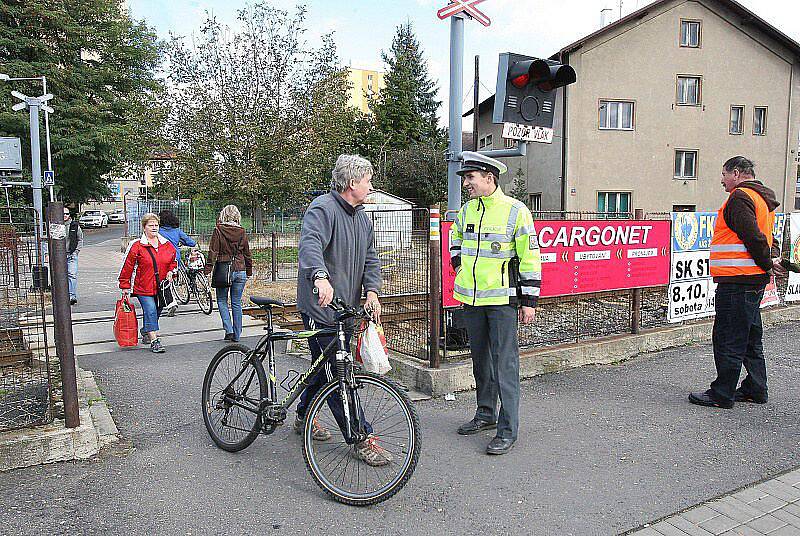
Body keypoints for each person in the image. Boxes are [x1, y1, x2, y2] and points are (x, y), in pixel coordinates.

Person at [295, 154, 390, 467]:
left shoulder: (362, 218)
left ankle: (302, 414)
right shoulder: (323, 208)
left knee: (322, 368)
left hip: (345, 309)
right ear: (352, 183)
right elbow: (310, 245)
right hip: (320, 308)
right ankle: (360, 436)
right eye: (367, 181)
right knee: (337, 372)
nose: (371, 186)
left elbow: (371, 258)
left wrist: (372, 292)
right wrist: (319, 277)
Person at [450, 151, 541, 455]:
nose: (466, 183)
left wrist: (529, 300)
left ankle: (507, 429)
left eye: (470, 178)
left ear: (489, 178)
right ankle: (486, 413)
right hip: (471, 300)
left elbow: (530, 257)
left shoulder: (516, 211)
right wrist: (458, 262)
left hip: (502, 301)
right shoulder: (468, 210)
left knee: (504, 364)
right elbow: (455, 235)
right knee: (481, 361)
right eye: (465, 177)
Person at [689, 156, 782, 409]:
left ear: (737, 173)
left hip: (737, 279)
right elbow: (767, 236)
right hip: (752, 280)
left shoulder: (740, 198)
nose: (722, 180)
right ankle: (755, 387)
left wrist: (766, 262)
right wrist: (769, 261)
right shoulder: (762, 198)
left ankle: (722, 393)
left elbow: (751, 235)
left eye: (724, 174)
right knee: (751, 336)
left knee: (729, 337)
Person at [118, 213, 177, 353]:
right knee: (150, 309)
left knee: (157, 311)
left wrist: (171, 272)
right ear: (144, 227)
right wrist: (125, 286)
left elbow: (173, 262)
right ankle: (154, 340)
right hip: (142, 286)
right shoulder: (137, 246)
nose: (154, 228)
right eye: (151, 225)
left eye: (156, 225)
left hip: (161, 287)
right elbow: (127, 267)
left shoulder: (166, 245)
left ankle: (145, 330)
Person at [204, 205, 252, 342]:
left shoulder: (218, 230)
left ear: (223, 215)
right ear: (237, 216)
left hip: (223, 270)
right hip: (240, 269)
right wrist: (248, 270)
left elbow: (213, 252)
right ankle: (237, 335)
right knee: (236, 302)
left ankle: (229, 330)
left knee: (221, 300)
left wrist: (208, 269)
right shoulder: (242, 231)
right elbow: (247, 253)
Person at [158, 209, 197, 316]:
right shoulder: (177, 231)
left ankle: (171, 302)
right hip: (176, 258)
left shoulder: (158, 231)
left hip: (163, 259)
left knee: (164, 281)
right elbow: (190, 242)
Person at [63, 208, 83, 306]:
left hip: (71, 254)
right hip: (60, 256)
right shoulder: (57, 226)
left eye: (66, 213)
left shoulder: (74, 226)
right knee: (62, 276)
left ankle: (72, 296)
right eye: (63, 213)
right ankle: (63, 296)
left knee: (72, 275)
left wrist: (76, 251)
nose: (65, 215)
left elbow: (80, 239)